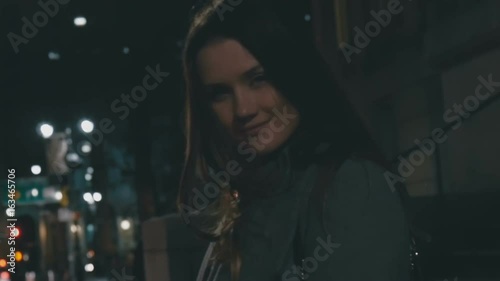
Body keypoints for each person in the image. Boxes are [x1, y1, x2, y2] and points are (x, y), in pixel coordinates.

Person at [177, 0, 411, 280]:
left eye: (259, 78)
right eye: (220, 93)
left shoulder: (351, 186)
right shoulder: (241, 199)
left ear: (294, 74)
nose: (243, 109)